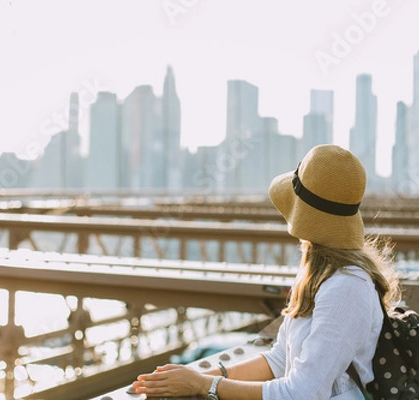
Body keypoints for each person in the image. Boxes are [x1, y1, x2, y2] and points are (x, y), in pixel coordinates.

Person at [133, 144, 401, 399]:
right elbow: (279, 360)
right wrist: (197, 377)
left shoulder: (347, 287)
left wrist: (205, 385)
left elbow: (300, 394)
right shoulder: (323, 273)